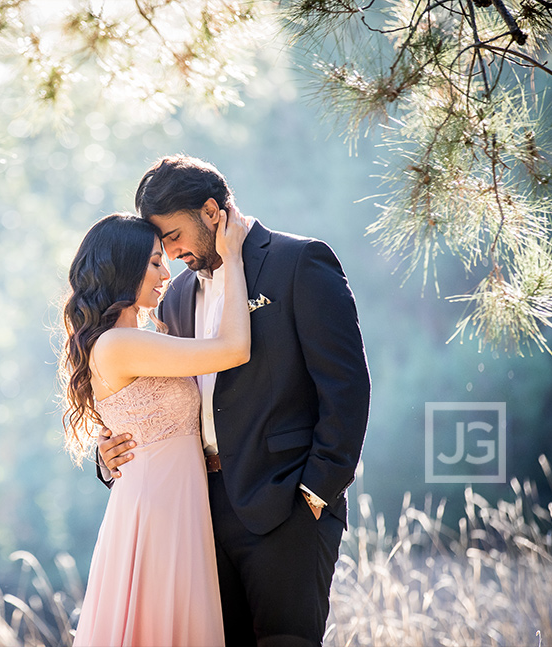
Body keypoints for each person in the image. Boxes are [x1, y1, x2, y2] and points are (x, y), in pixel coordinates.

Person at [98, 155, 370, 647]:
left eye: (174, 236)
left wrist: (315, 492)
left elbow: (346, 388)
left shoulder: (299, 262)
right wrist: (110, 454)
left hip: (286, 507)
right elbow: (149, 396)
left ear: (210, 211)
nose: (172, 253)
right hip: (197, 513)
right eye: (162, 246)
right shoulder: (175, 296)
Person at [59, 209, 250, 646]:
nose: (167, 273)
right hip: (158, 507)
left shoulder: (143, 337)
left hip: (172, 498)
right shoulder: (120, 345)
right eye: (154, 262)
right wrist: (233, 259)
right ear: (123, 268)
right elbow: (235, 348)